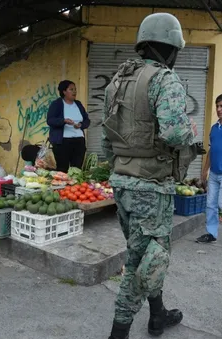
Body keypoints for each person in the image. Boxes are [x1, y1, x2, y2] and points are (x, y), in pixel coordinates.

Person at [102, 13, 199, 339]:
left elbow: (106, 142)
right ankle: (119, 332)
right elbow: (174, 133)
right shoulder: (164, 79)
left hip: (122, 183)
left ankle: (157, 315)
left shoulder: (118, 81)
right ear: (170, 48)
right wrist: (189, 130)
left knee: (145, 254)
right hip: (151, 187)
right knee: (145, 262)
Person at [47, 80, 90, 173]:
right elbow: (50, 120)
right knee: (63, 170)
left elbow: (87, 120)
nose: (75, 92)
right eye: (71, 89)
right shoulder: (57, 104)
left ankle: (75, 187)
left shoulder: (78, 104)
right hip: (62, 142)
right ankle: (62, 187)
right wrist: (64, 121)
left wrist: (81, 125)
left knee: (77, 169)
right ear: (64, 92)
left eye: (75, 89)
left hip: (79, 141)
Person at [196, 94, 222, 244]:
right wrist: (205, 170)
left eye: (221, 106)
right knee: (211, 204)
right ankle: (211, 233)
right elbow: (211, 151)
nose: (219, 109)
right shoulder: (214, 128)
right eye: (217, 106)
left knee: (220, 203)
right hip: (213, 173)